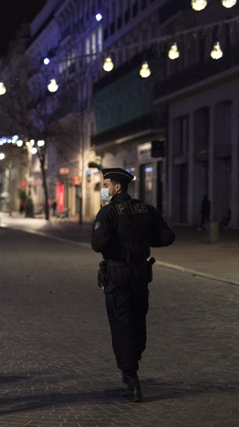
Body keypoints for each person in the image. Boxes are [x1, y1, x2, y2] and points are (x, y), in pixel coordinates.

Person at [91, 168, 175, 403]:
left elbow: (98, 244)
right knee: (138, 320)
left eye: (106, 185)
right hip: (140, 272)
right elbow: (167, 237)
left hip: (117, 274)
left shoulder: (107, 212)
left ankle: (131, 378)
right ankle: (133, 360)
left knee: (121, 323)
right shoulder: (145, 209)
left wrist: (117, 246)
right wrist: (142, 241)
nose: (104, 189)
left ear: (117, 187)